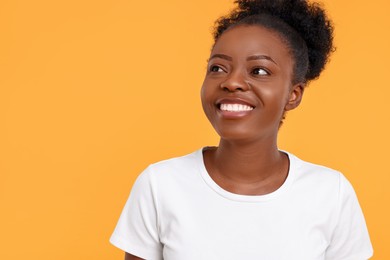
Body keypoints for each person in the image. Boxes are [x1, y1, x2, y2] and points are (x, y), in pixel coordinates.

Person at [110, 0, 373, 259]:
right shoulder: (160, 185)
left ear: (293, 95)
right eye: (218, 68)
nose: (232, 81)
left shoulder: (331, 193)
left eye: (258, 70)